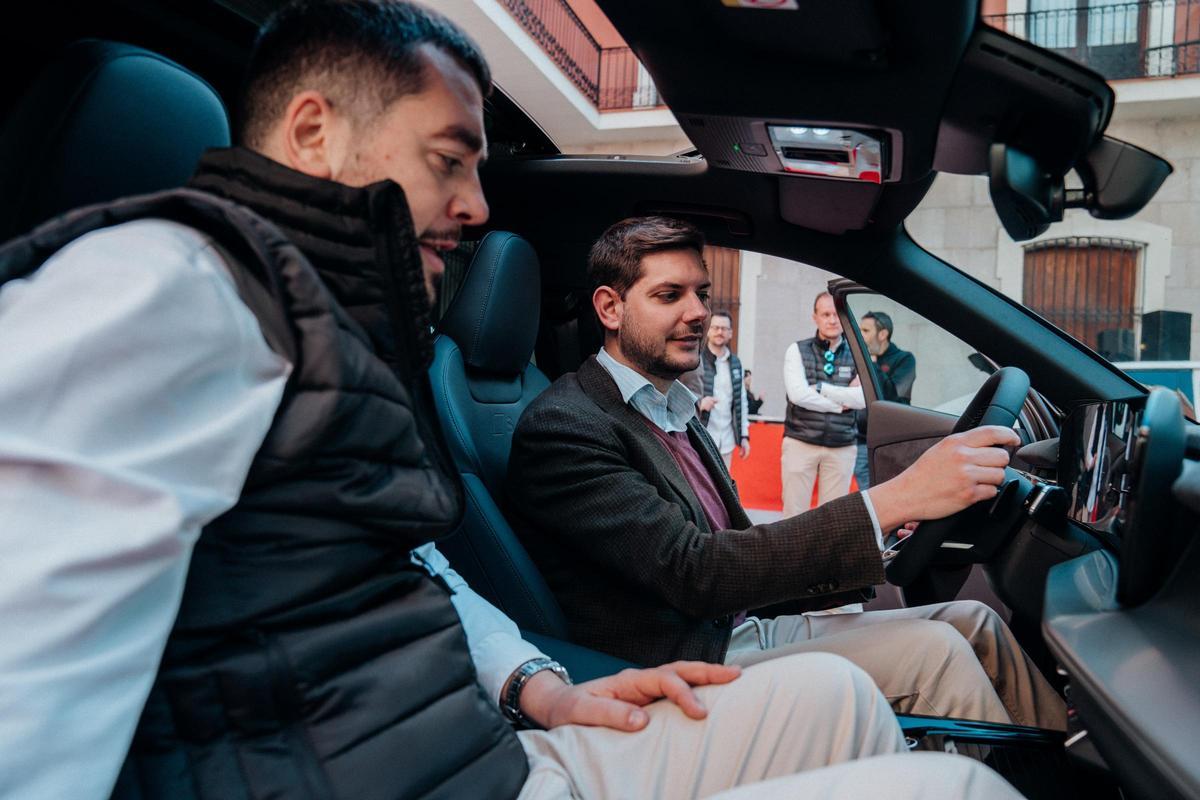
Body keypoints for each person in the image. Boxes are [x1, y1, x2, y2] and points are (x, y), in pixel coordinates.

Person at [0, 3, 1030, 799]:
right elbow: (22, 667)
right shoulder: (168, 285)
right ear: (314, 132)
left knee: (844, 692)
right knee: (960, 786)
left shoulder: (326, 333)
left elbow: (411, 561)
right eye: (450, 159)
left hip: (491, 753)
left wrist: (545, 687)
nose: (481, 207)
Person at [508, 216, 1067, 734]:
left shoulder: (670, 405)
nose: (699, 311)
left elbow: (739, 547)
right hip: (689, 660)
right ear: (609, 308)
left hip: (739, 626)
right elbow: (695, 571)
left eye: (701, 292)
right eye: (669, 295)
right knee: (939, 653)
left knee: (976, 622)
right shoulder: (565, 426)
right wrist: (893, 499)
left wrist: (886, 537)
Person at [780, 291, 865, 513]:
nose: (832, 320)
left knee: (832, 518)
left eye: (837, 314)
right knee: (793, 514)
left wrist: (821, 389)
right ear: (814, 317)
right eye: (825, 314)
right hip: (801, 441)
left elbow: (863, 399)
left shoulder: (859, 354)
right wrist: (840, 402)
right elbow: (798, 395)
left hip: (842, 446)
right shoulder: (797, 350)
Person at [854, 310, 916, 489]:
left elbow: (894, 394)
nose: (859, 336)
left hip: (891, 444)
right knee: (866, 499)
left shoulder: (904, 359)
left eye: (865, 331)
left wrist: (872, 364)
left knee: (890, 495)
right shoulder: (858, 360)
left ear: (882, 334)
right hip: (861, 443)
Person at [698, 310, 750, 468]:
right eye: (715, 327)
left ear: (730, 333)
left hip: (726, 441)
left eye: (724, 328)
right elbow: (680, 392)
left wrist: (744, 435)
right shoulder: (695, 360)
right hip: (701, 438)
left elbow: (741, 401)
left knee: (723, 489)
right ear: (708, 331)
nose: (719, 332)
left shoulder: (736, 363)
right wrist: (699, 403)